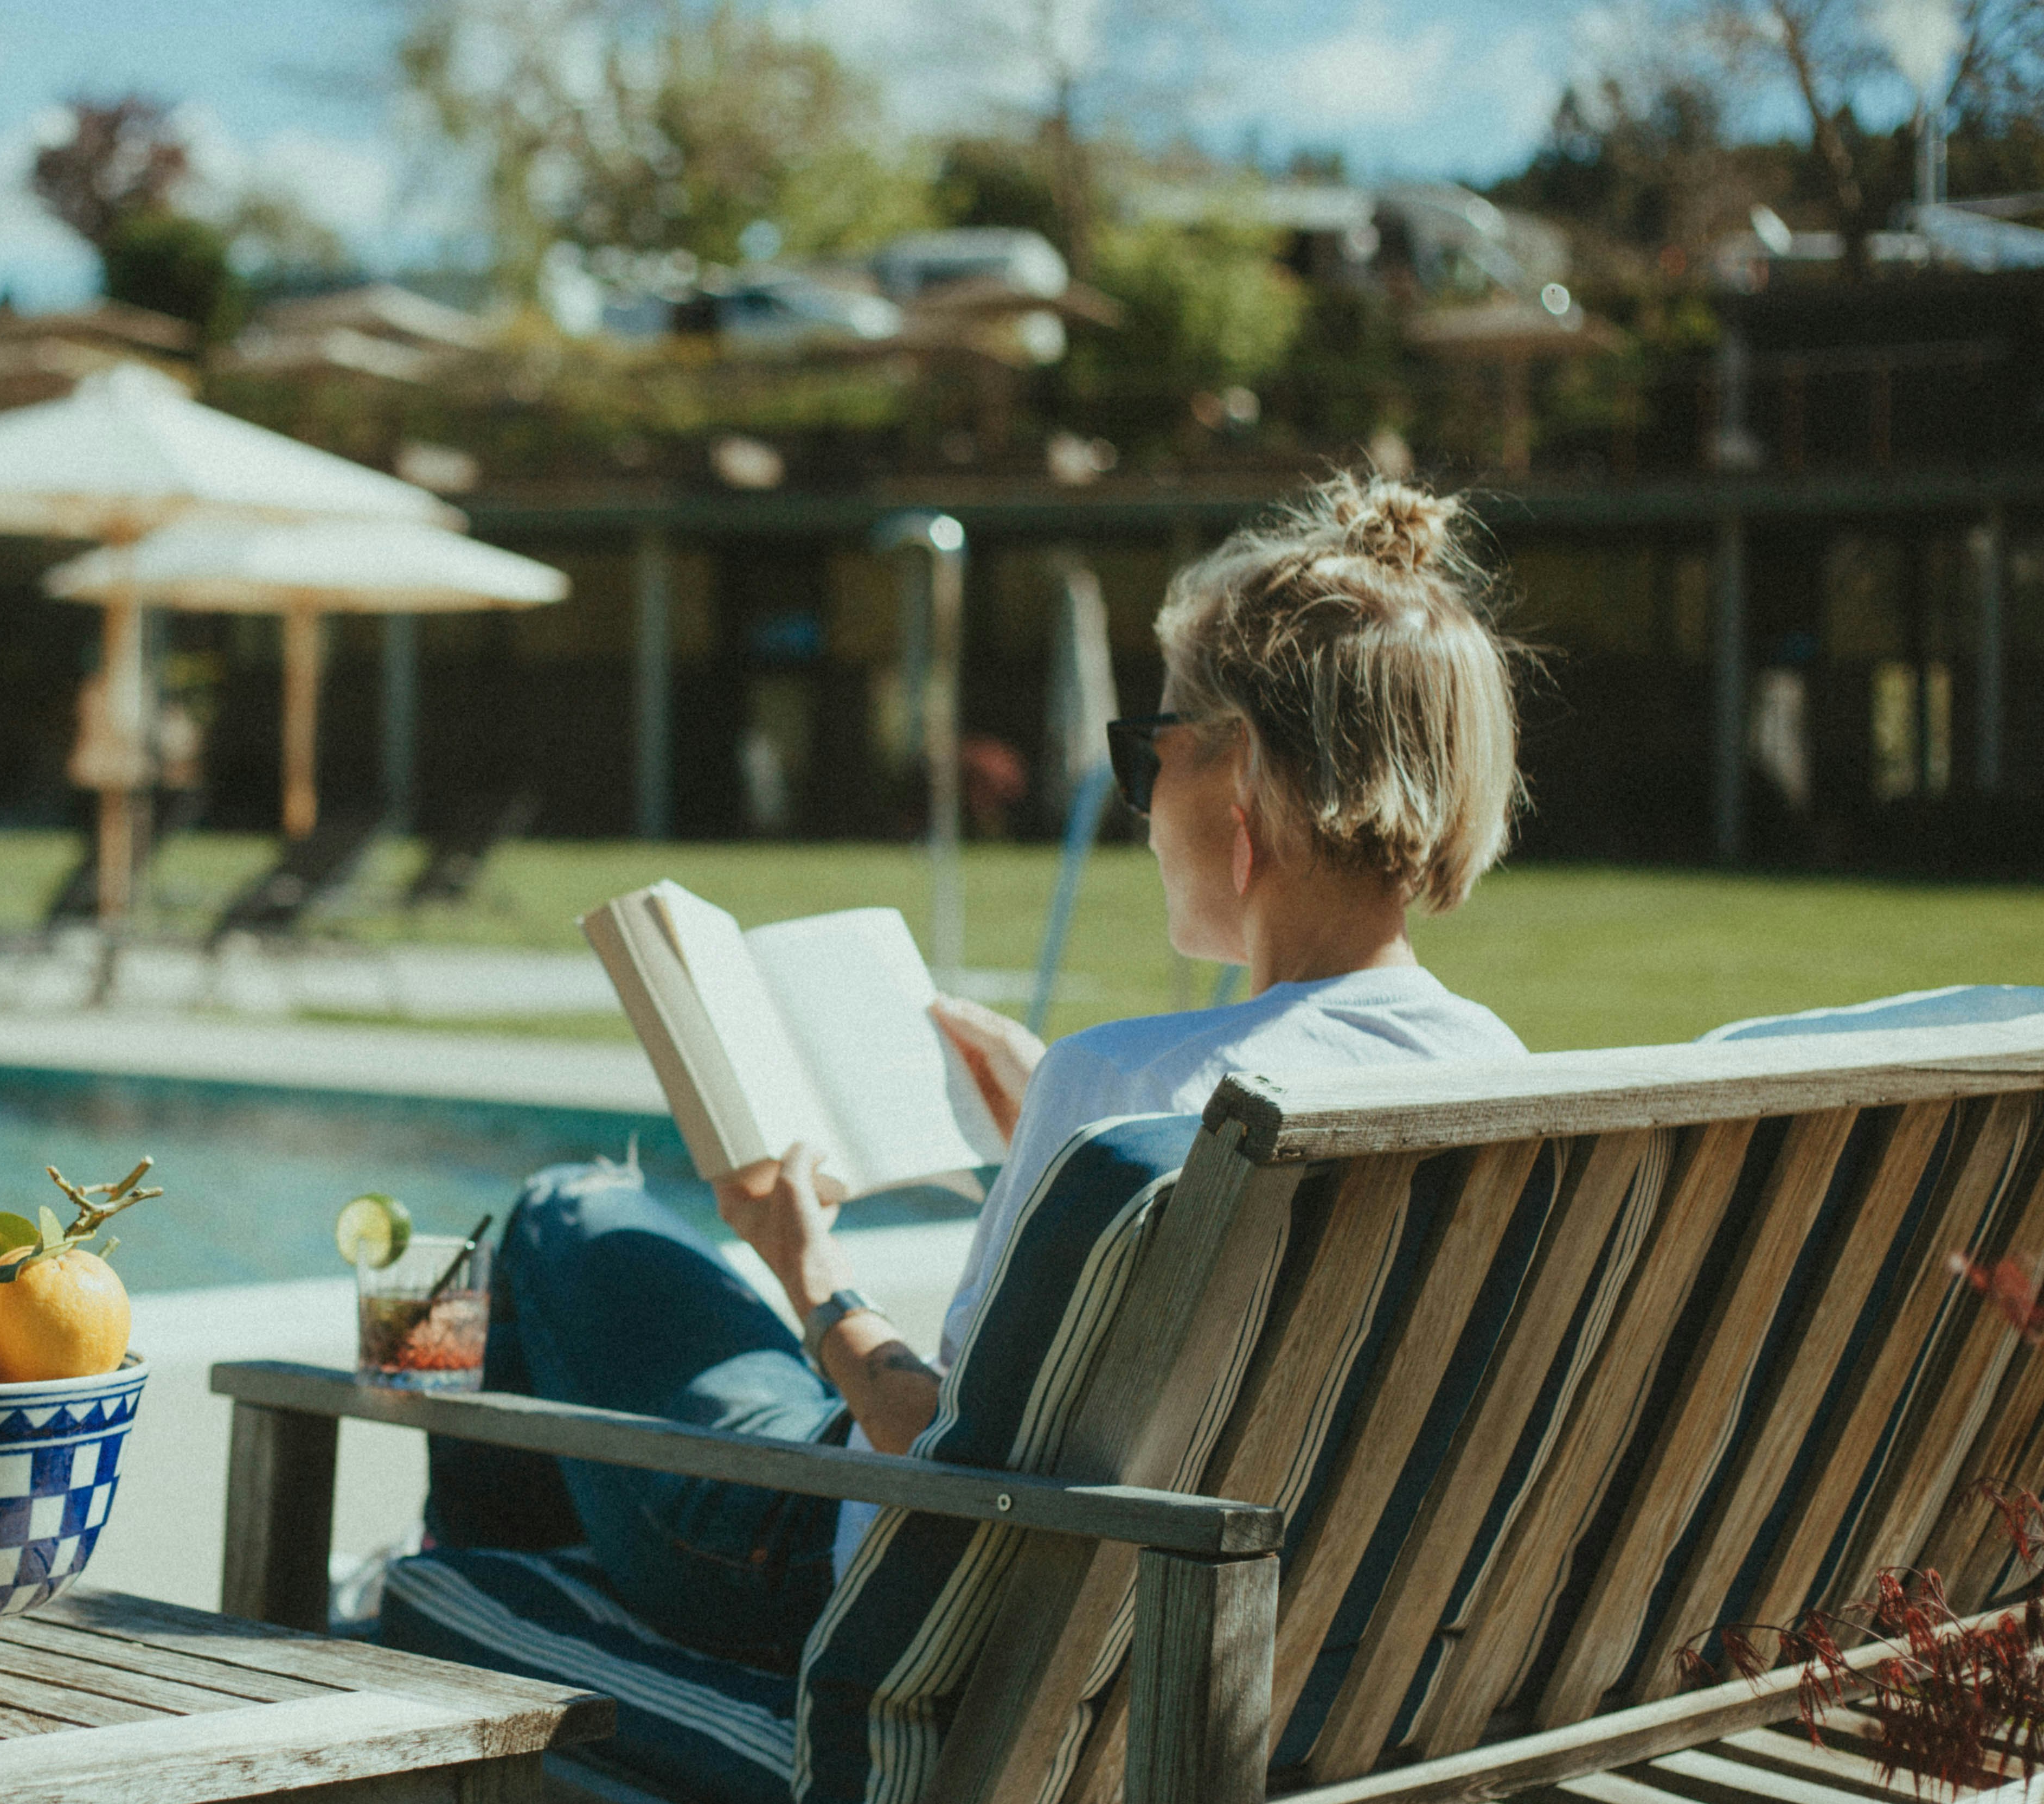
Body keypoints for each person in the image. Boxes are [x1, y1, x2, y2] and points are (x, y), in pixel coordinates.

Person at [424, 474, 1532, 1671]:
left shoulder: (1127, 1088)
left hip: (875, 1602)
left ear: (1246, 782)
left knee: (562, 1218)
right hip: (1232, 1650)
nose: (1141, 802)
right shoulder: (1498, 1073)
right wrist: (1045, 1153)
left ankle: (472, 1623)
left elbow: (941, 1452)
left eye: (1145, 751)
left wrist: (806, 1267)